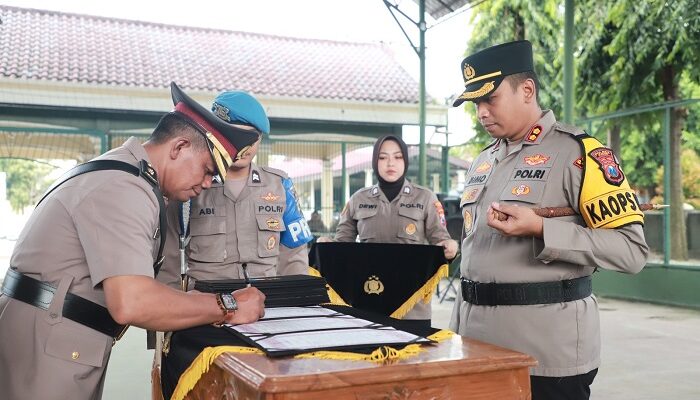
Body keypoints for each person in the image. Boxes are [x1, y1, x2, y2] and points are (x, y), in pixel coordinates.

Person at [0, 82, 266, 400]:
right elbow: (132, 301)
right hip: (46, 350)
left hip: (55, 342)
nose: (207, 184)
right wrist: (228, 305)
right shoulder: (125, 187)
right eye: (208, 170)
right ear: (179, 147)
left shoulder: (130, 176)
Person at [449, 40, 649, 400]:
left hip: (545, 357)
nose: (481, 112)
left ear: (527, 90)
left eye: (489, 99)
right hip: (475, 346)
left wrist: (542, 228)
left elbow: (631, 252)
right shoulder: (482, 161)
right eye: (475, 103)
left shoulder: (578, 153)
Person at [156, 90, 313, 291]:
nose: (244, 146)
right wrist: (174, 309)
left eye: (252, 138)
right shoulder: (189, 184)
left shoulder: (279, 184)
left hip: (266, 304)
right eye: (237, 135)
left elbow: (294, 255)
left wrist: (297, 303)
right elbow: (168, 257)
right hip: (206, 305)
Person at [319, 135, 458, 328]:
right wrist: (329, 246)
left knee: (414, 357)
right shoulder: (358, 199)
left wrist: (449, 246)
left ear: (405, 161)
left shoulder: (425, 198)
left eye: (398, 157)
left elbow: (440, 239)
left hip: (413, 305)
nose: (390, 163)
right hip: (367, 300)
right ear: (375, 161)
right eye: (383, 157)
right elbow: (343, 244)